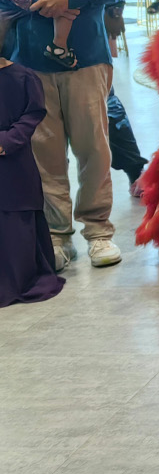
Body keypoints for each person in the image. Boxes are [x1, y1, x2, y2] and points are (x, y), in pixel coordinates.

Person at [4, 0, 129, 268]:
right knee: (44, 152)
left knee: (94, 148)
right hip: (28, 56)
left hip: (87, 53)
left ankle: (98, 231)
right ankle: (57, 236)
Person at [0, 56, 64, 305]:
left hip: (14, 161)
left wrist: (7, 141)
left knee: (16, 215)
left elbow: (33, 113)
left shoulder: (24, 77)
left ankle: (21, 274)